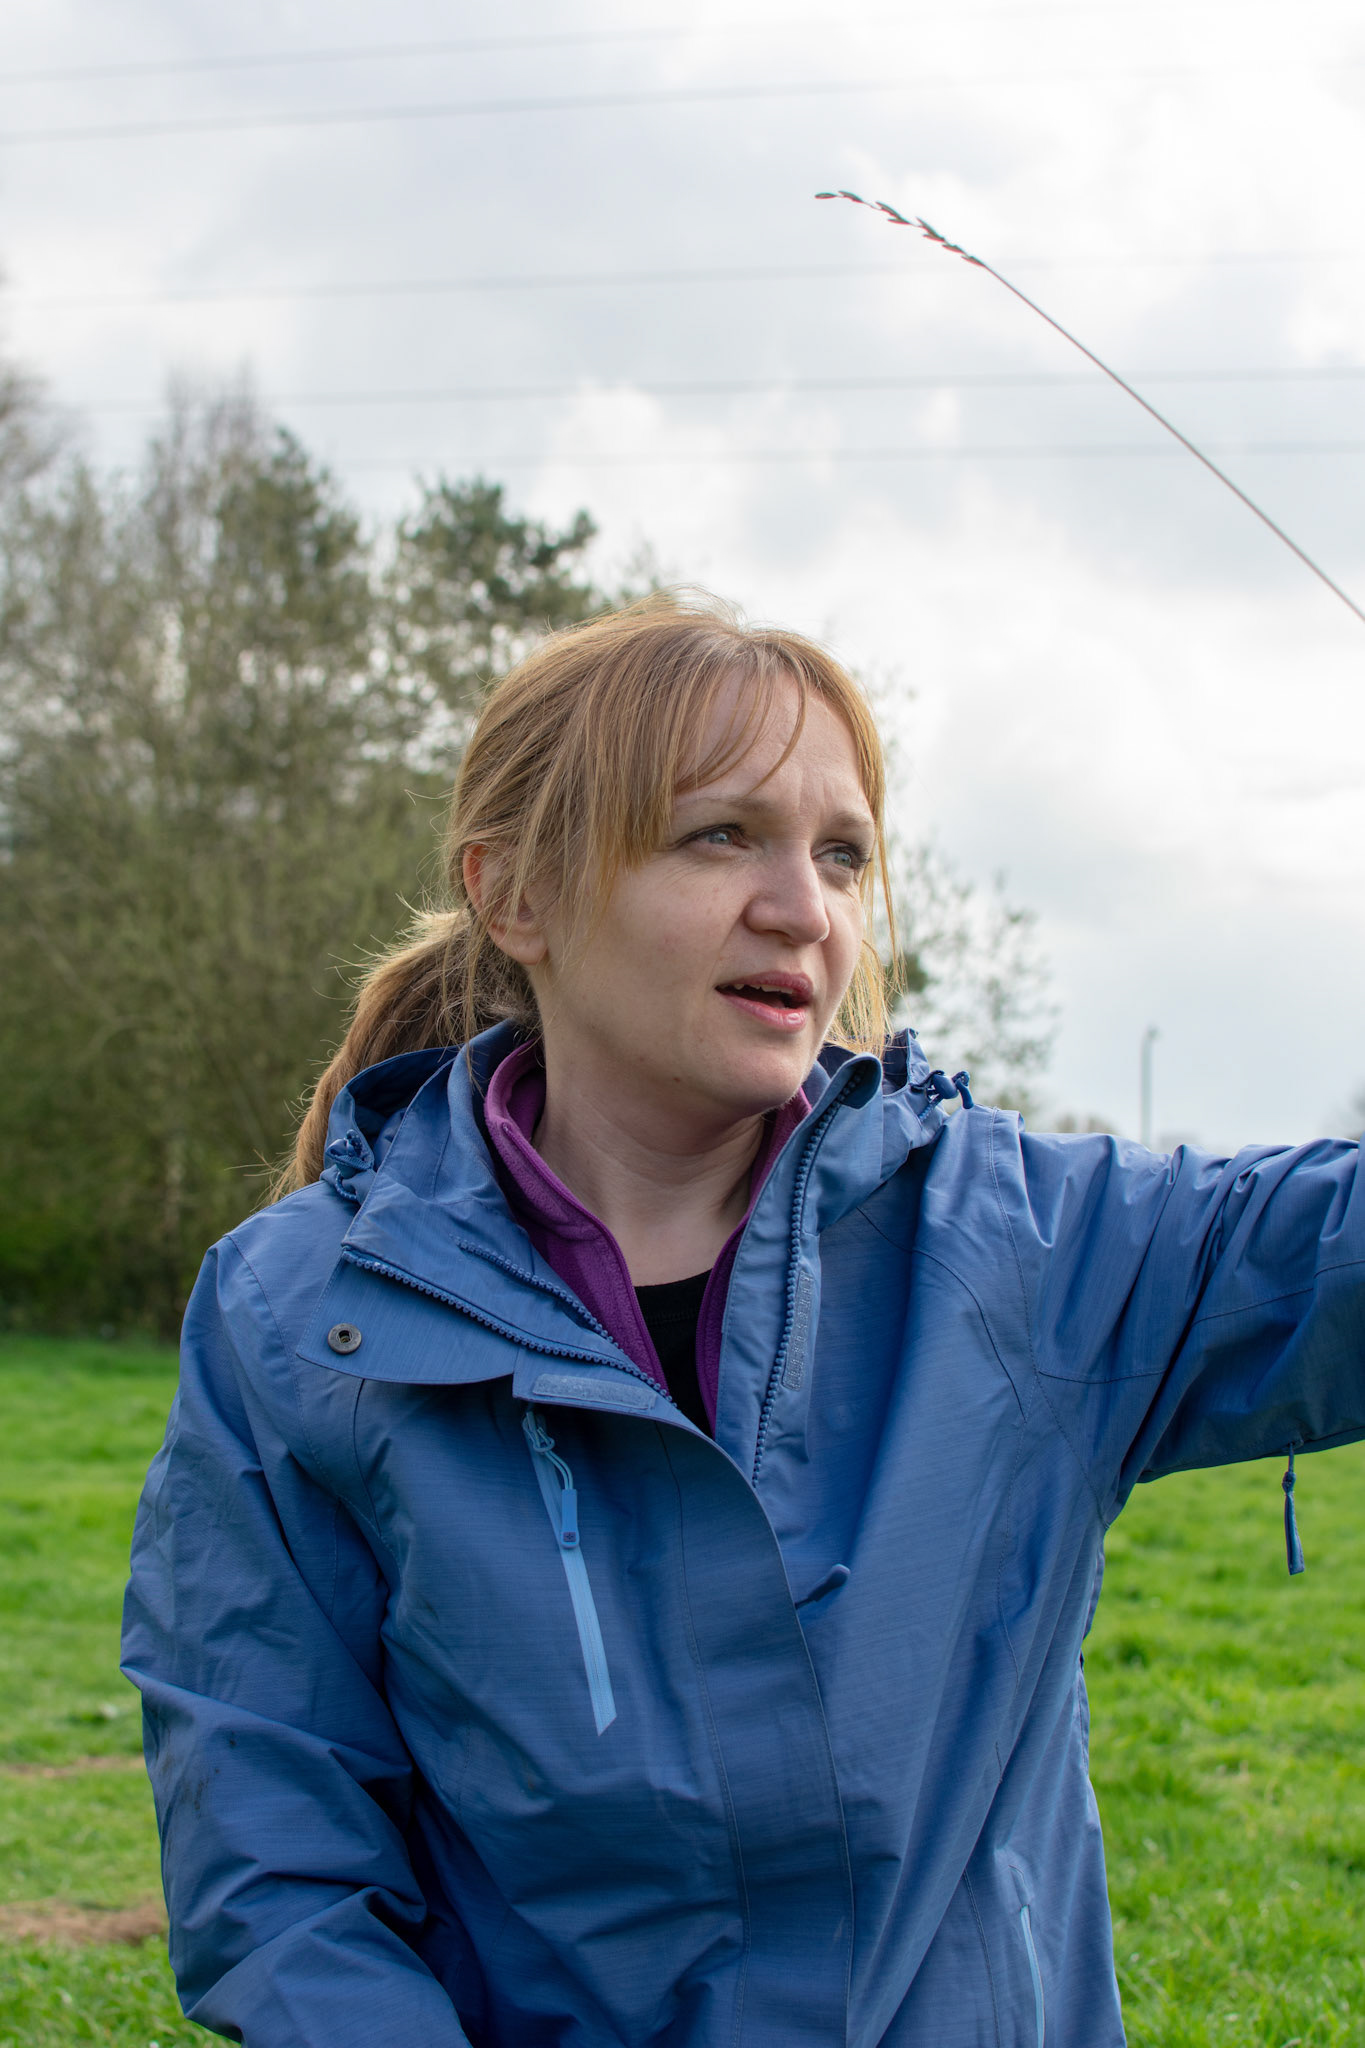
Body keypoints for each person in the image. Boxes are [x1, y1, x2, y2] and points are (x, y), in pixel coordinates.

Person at [122, 592, 1365, 2048]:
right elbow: (280, 1865)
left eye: (840, 854)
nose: (804, 906)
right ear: (513, 894)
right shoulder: (299, 1317)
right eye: (720, 835)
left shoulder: (1022, 1245)